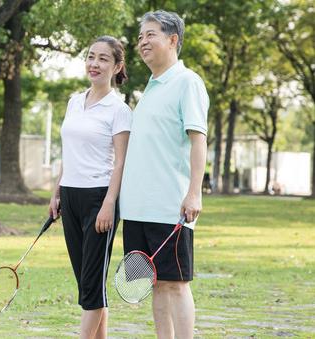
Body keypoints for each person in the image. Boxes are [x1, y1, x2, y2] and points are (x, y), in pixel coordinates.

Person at [119, 10, 209, 339]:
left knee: (176, 284)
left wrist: (194, 192)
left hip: (169, 206)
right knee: (154, 284)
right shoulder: (149, 90)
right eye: (140, 37)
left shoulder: (188, 82)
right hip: (136, 209)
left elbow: (198, 140)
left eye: (150, 35)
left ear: (172, 40)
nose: (142, 42)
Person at [49, 36, 131, 339]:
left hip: (100, 198)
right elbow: (67, 153)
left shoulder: (119, 109)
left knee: (92, 282)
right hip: (70, 196)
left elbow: (120, 163)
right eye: (91, 57)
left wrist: (110, 202)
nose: (94, 64)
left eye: (103, 59)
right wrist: (56, 191)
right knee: (88, 284)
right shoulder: (74, 101)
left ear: (117, 66)